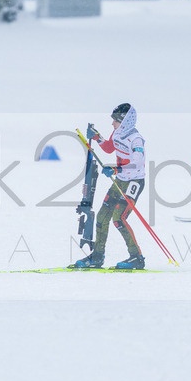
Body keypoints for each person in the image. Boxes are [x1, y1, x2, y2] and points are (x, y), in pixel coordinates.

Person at [72, 103, 146, 269]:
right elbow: (108, 148)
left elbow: (138, 161)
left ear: (124, 121)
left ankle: (137, 258)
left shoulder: (136, 139)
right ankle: (97, 256)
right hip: (120, 179)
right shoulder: (117, 133)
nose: (112, 124)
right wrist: (98, 137)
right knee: (102, 217)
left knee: (119, 218)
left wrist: (116, 168)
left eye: (115, 121)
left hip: (134, 182)